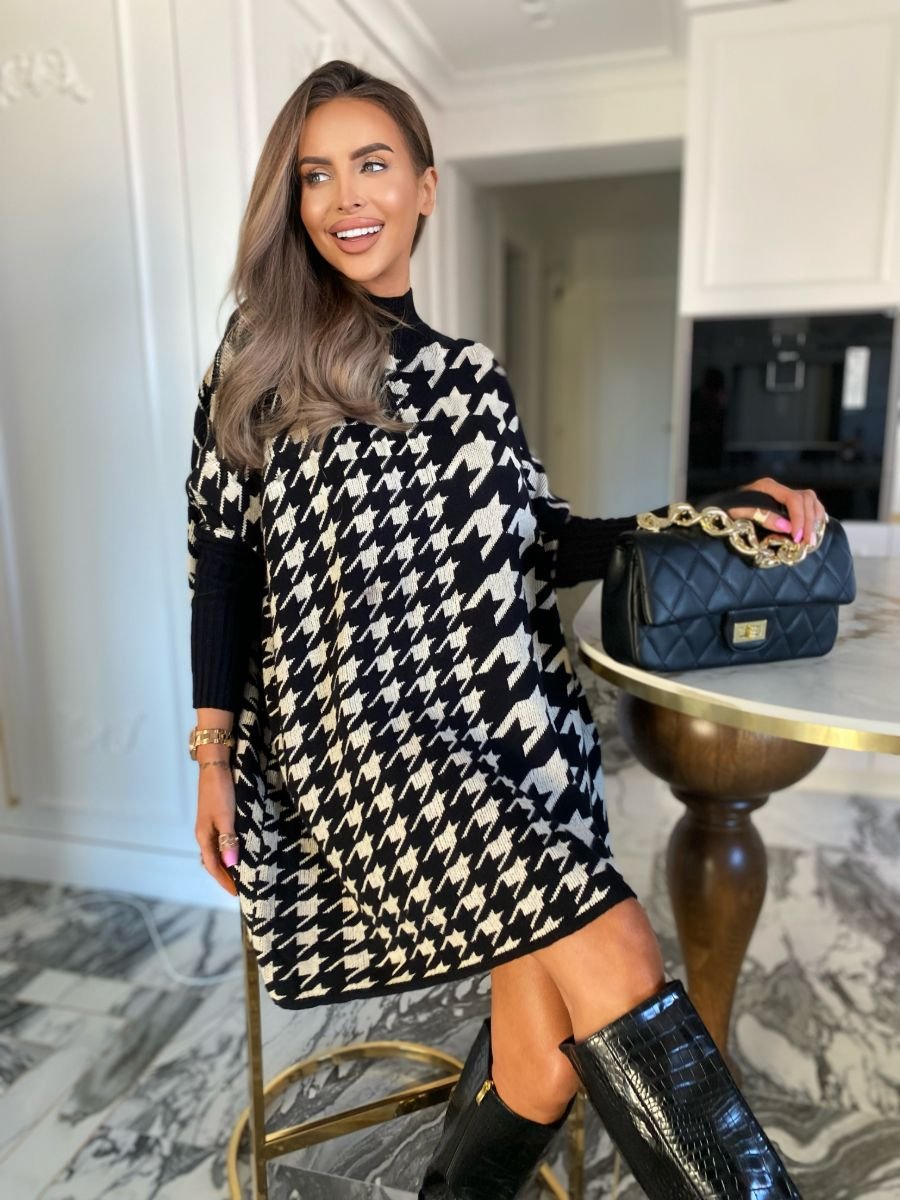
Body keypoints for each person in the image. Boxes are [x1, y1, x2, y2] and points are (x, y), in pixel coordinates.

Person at [186, 59, 819, 1199]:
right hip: (365, 753)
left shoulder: (472, 383)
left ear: (425, 186)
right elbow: (224, 565)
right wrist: (214, 753)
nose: (345, 197)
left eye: (372, 164)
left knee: (542, 1061)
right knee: (618, 945)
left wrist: (719, 515)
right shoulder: (263, 359)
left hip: (505, 732)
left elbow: (542, 542)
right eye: (315, 175)